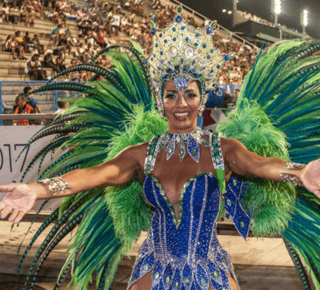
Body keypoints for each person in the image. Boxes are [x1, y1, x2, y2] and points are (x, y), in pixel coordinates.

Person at [0, 7, 320, 290]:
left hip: (207, 270)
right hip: (153, 270)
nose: (181, 104)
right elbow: (96, 174)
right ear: (160, 101)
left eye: (190, 95)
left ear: (201, 99)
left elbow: (260, 164)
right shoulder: (143, 154)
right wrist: (37, 190)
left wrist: (300, 172)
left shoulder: (223, 149)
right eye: (171, 95)